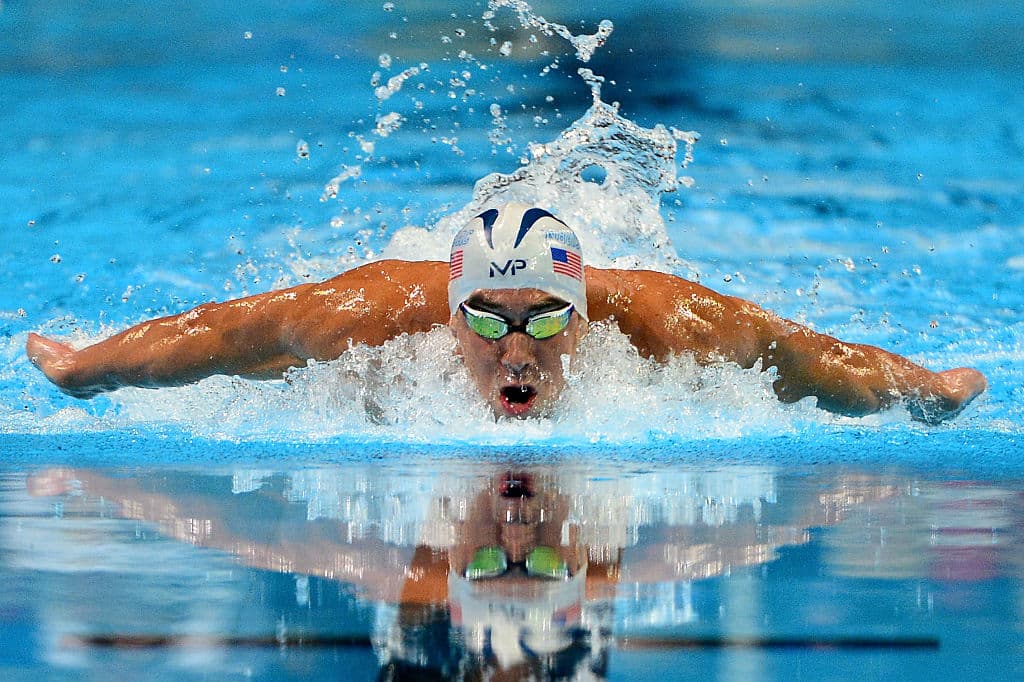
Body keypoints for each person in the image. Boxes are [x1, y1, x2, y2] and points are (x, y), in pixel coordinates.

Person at [25, 202, 986, 423]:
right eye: (486, 317)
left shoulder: (661, 322)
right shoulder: (369, 314)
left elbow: (812, 359)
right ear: (447, 314)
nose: (517, 346)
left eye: (544, 318)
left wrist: (929, 391)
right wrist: (89, 369)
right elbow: (217, 336)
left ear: (583, 307)